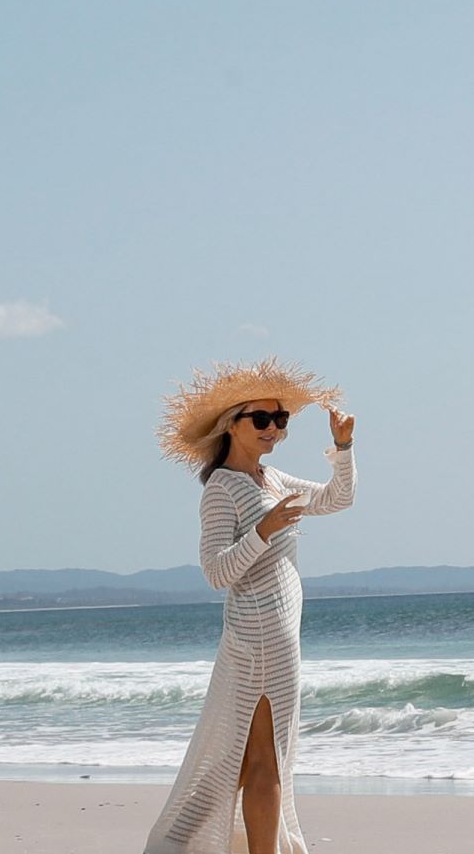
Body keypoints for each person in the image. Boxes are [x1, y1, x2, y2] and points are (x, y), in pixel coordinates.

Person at [142, 357, 357, 854]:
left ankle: (175, 843)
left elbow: (337, 499)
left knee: (241, 757)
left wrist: (343, 447)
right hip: (257, 633)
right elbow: (216, 572)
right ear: (231, 424)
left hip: (281, 635)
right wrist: (264, 530)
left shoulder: (273, 480)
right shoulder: (223, 487)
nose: (273, 429)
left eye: (280, 420)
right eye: (261, 419)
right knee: (265, 761)